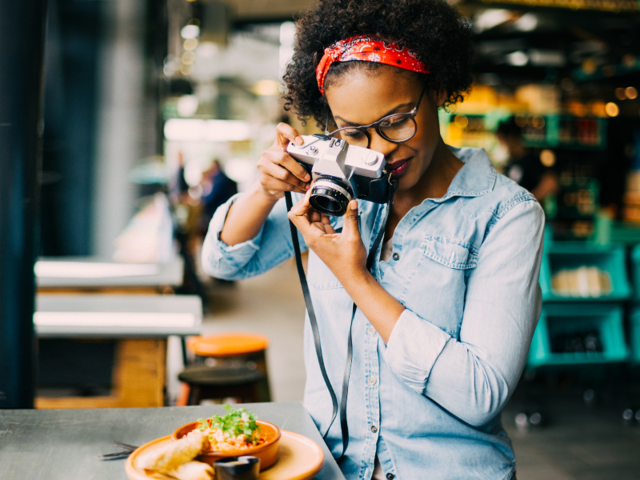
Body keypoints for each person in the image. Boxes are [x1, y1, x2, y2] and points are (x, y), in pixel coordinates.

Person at [202, 1, 544, 479]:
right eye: (354, 133)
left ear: (440, 88)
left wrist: (354, 277)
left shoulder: (505, 214)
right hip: (329, 468)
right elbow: (224, 263)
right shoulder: (339, 184)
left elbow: (479, 393)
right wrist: (264, 190)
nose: (381, 150)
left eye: (398, 120)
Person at [497, 118, 559, 203]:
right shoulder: (511, 162)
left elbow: (551, 183)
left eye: (501, 141)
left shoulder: (531, 160)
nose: (500, 145)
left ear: (511, 138)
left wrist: (526, 202)